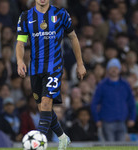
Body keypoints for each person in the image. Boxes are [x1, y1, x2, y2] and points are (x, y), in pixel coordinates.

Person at [16, 0, 86, 149]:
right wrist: (19, 61)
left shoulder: (60, 14)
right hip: (35, 69)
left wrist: (80, 63)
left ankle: (37, 144)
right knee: (43, 108)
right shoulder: (25, 16)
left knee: (47, 104)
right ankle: (62, 137)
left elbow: (73, 37)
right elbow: (20, 42)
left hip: (54, 67)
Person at [91, 58, 136, 141]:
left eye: (116, 68)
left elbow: (131, 103)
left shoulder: (125, 85)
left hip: (122, 121)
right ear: (108, 70)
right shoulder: (102, 85)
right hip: (107, 121)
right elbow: (94, 103)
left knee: (121, 146)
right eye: (112, 68)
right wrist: (97, 119)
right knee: (110, 146)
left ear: (119, 70)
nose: (114, 70)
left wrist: (132, 118)